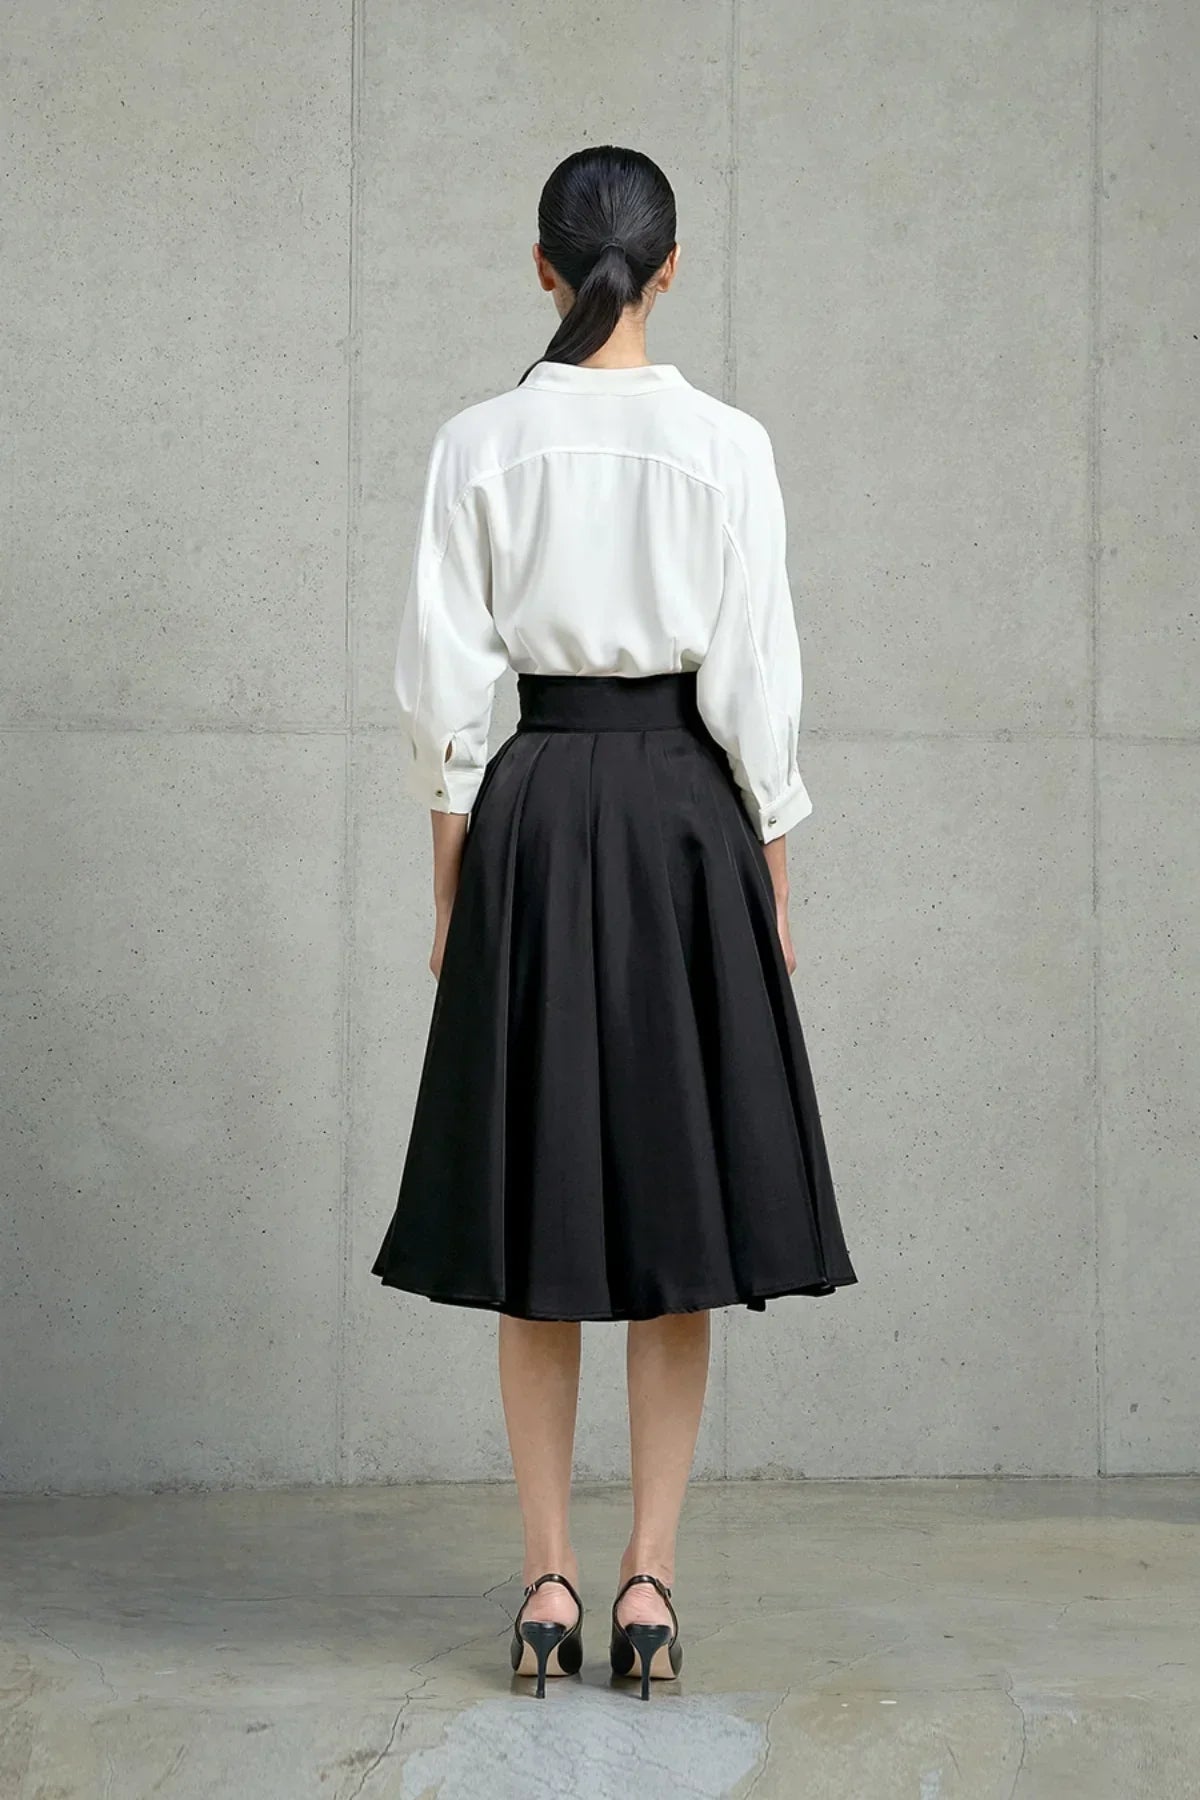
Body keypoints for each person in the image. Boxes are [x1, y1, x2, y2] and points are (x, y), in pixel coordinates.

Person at [370, 144, 858, 1701]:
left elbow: (446, 695)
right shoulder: (729, 446)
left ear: (540, 268)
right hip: (685, 820)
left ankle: (547, 1584)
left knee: (536, 1215)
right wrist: (769, 869)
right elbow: (759, 686)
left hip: (531, 813)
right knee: (673, 1224)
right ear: (671, 268)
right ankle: (650, 1581)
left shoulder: (477, 443)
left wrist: (454, 886)